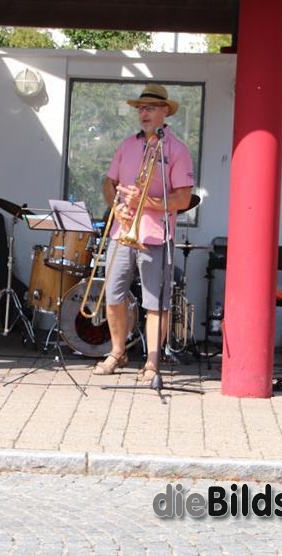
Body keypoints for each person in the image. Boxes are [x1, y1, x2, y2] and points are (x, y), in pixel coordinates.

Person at [92, 83, 194, 383]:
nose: (143, 113)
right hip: (122, 230)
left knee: (155, 302)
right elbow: (108, 183)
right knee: (113, 295)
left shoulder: (177, 150)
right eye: (140, 108)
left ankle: (151, 361)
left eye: (149, 108)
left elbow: (184, 198)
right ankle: (117, 352)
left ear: (165, 111)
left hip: (155, 234)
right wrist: (116, 208)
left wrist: (145, 202)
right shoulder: (126, 145)